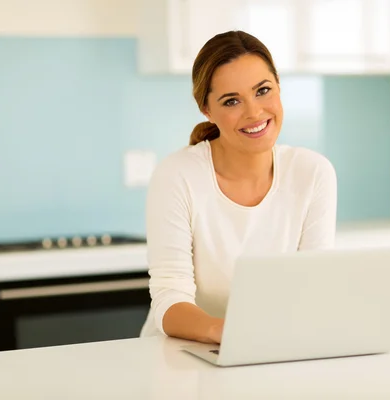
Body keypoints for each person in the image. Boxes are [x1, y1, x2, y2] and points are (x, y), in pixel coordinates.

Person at [139, 30, 338, 344]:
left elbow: (313, 288)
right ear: (207, 110)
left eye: (263, 90)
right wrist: (233, 334)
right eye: (231, 101)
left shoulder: (313, 173)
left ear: (279, 87)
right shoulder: (177, 175)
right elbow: (169, 300)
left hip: (269, 349)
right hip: (181, 355)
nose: (254, 112)